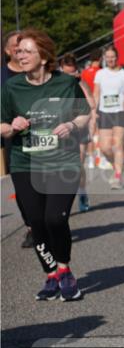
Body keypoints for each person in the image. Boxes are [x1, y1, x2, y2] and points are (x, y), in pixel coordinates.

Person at [1, 30, 91, 301]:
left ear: (44, 57)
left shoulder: (65, 83)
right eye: (18, 51)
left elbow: (85, 114)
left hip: (62, 162)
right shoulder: (12, 87)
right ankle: (51, 274)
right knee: (36, 221)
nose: (21, 55)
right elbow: (1, 125)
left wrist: (71, 124)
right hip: (24, 162)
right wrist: (11, 126)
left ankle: (65, 270)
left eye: (27, 50)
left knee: (55, 218)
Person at [2, 30, 35, 248]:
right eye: (16, 45)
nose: (19, 48)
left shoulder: (34, 71)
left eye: (23, 45)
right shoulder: (2, 76)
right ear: (7, 51)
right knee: (22, 188)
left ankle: (50, 220)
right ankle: (33, 226)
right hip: (13, 138)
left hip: (42, 136)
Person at [58, 54, 96, 212]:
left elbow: (92, 104)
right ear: (60, 70)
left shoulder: (80, 83)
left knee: (78, 164)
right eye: (65, 73)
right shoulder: (54, 83)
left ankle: (81, 192)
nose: (69, 77)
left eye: (72, 73)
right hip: (61, 129)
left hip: (79, 127)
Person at [92, 46, 124, 189]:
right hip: (104, 112)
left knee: (118, 145)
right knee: (104, 148)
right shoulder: (100, 74)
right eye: (107, 57)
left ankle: (117, 177)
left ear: (117, 57)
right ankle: (117, 165)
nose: (110, 59)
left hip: (120, 112)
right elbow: (96, 93)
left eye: (112, 57)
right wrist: (93, 110)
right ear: (104, 58)